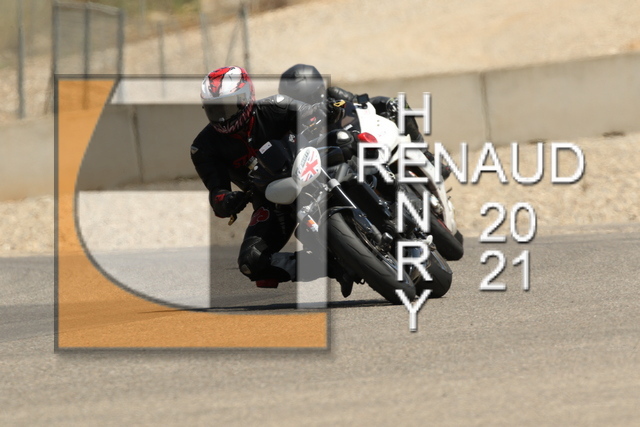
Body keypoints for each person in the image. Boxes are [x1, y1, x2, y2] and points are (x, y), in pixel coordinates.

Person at [191, 66, 353, 293]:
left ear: (246, 98)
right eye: (214, 109)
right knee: (251, 262)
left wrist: (325, 110)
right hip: (271, 199)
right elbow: (216, 192)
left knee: (348, 145)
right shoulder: (203, 147)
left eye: (227, 107)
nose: (222, 116)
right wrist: (227, 201)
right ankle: (333, 266)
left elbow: (311, 112)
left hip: (310, 168)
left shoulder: (276, 105)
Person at [278, 64, 450, 179]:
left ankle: (427, 157)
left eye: (309, 98)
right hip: (336, 163)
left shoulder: (334, 96)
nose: (306, 105)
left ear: (319, 91)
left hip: (364, 139)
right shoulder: (291, 126)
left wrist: (361, 104)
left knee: (395, 104)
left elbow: (362, 103)